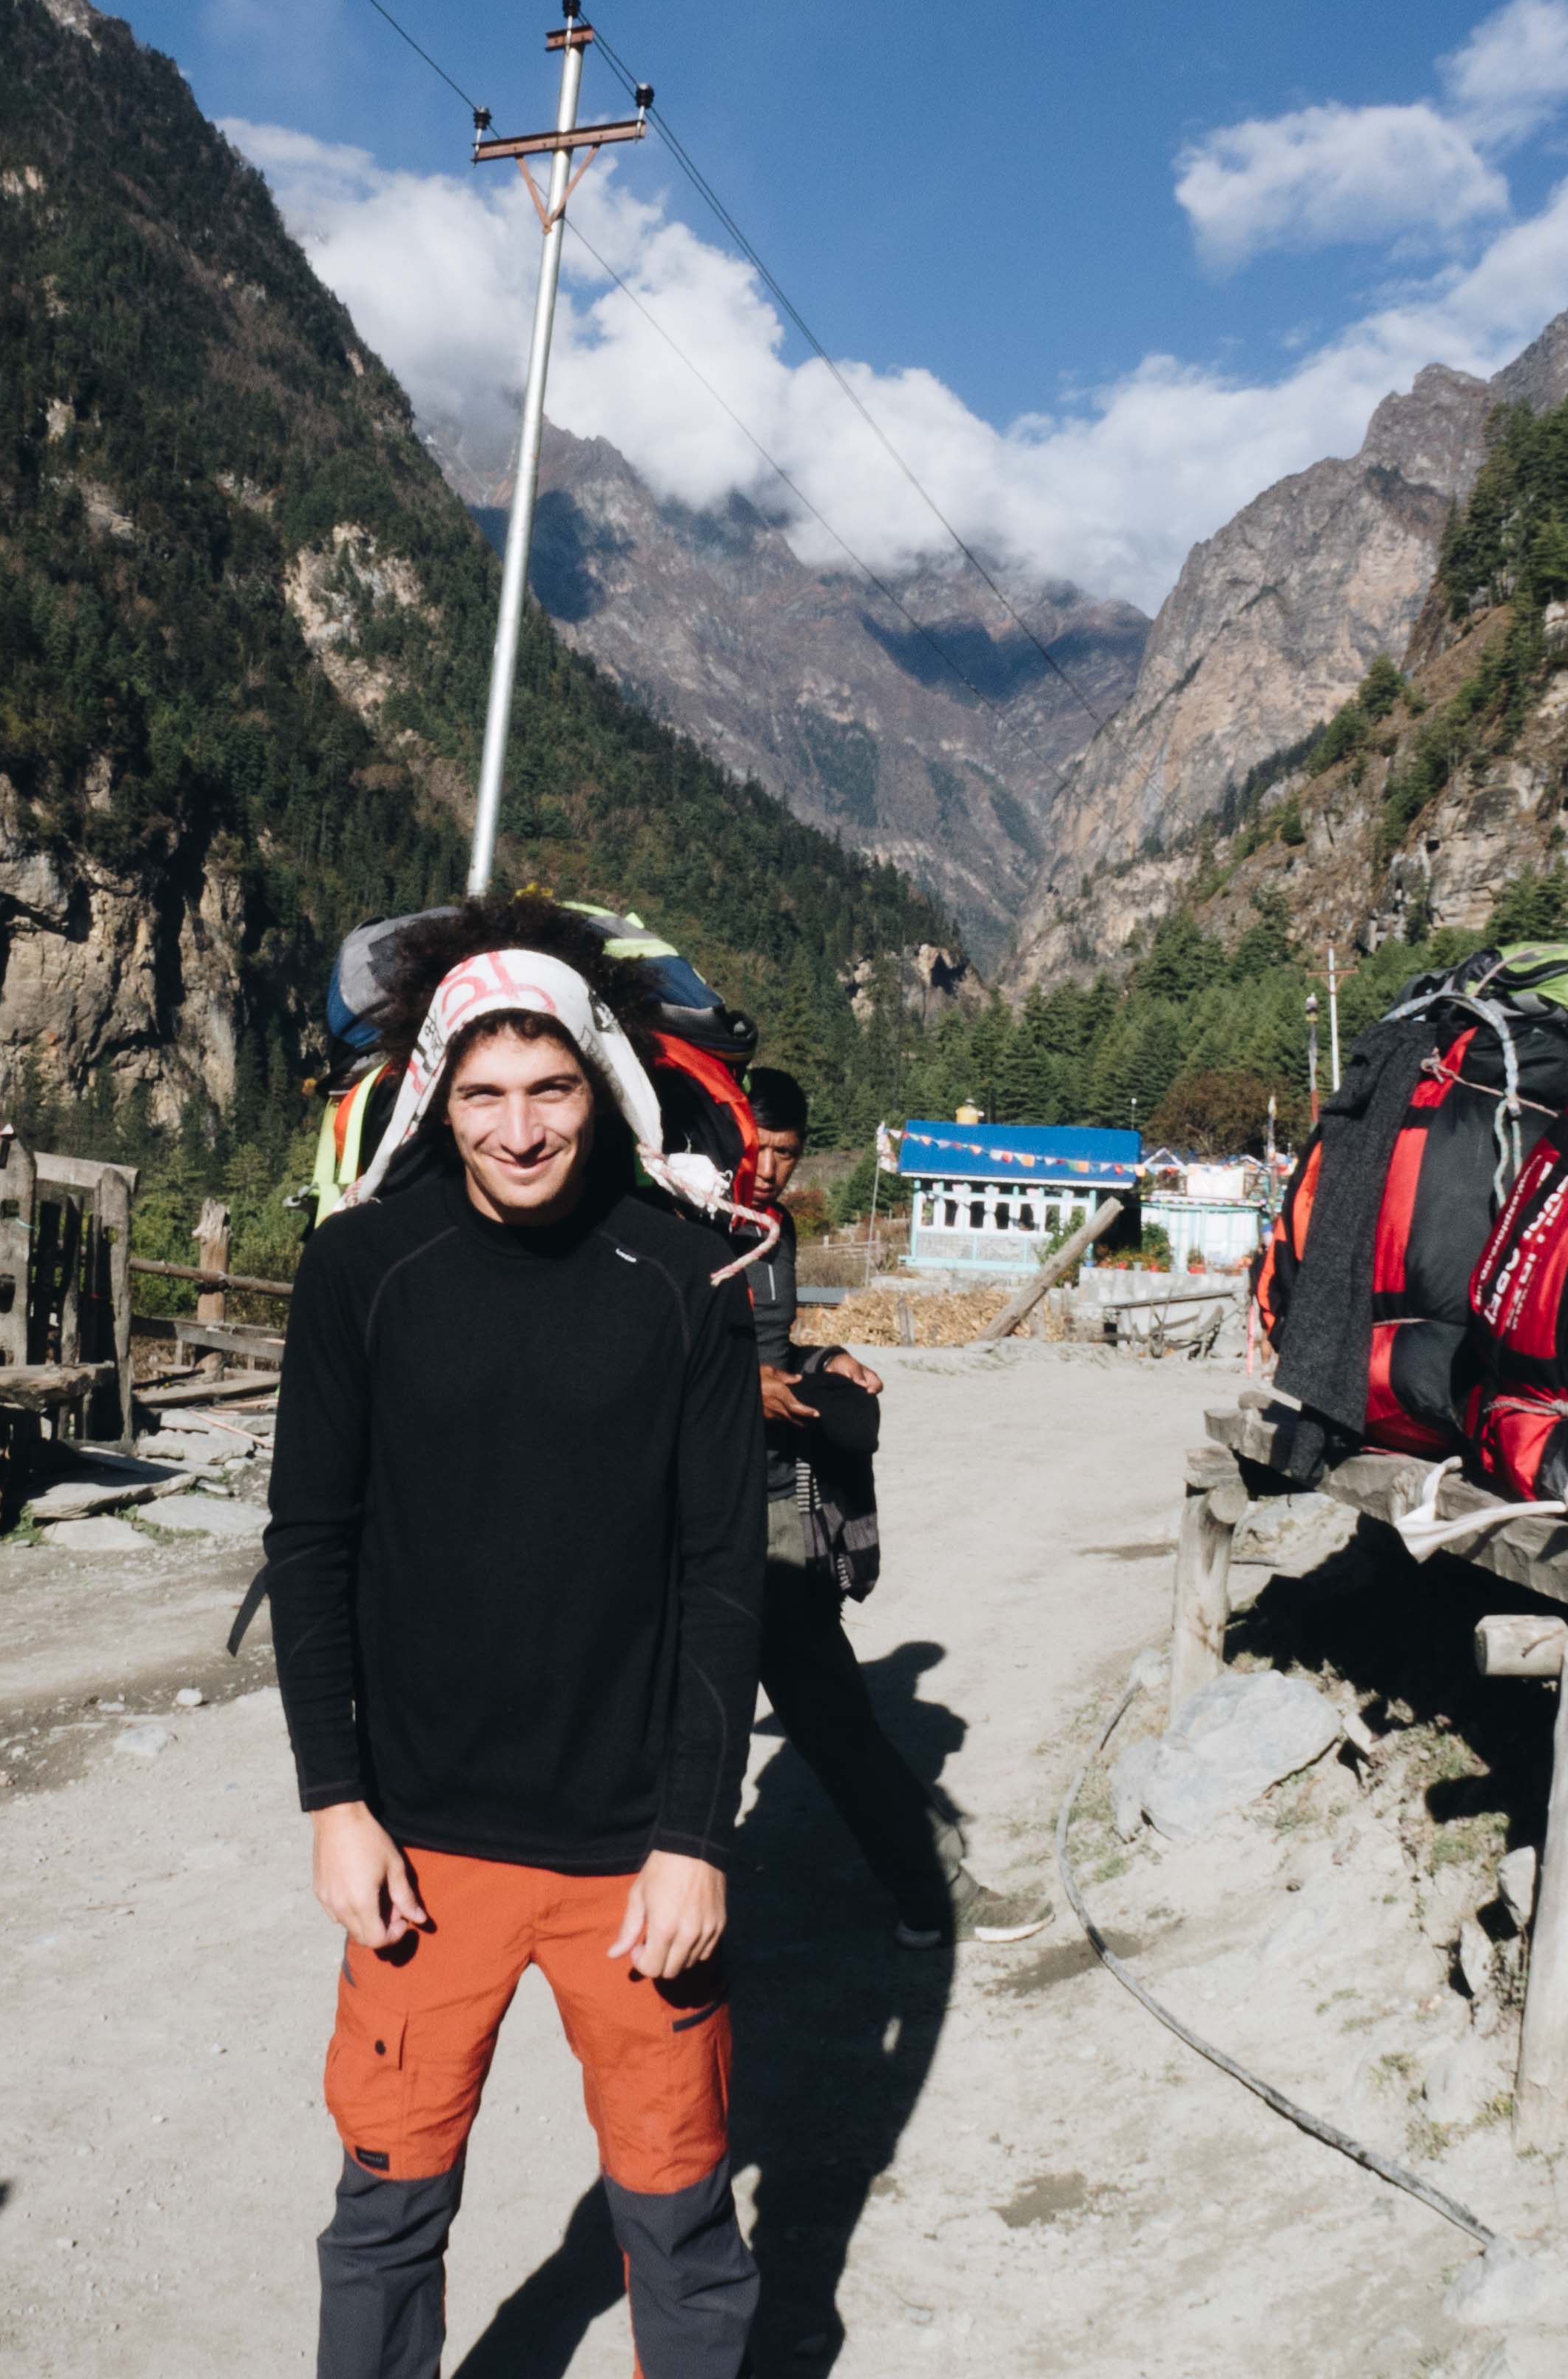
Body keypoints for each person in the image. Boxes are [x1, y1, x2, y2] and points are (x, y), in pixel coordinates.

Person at [266, 899, 767, 2379]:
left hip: (631, 1853)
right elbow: (311, 1545)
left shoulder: (683, 1276)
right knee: (384, 2210)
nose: (520, 1128)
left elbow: (722, 1570)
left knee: (678, 2215)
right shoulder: (363, 1269)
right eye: (484, 1093)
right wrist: (336, 1802)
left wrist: (695, 1837)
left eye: (550, 1088)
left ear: (600, 1083)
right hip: (421, 1848)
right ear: (436, 1092)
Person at [745, 1067, 1049, 1949]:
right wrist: (736, 1388)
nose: (767, 1169)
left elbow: (773, 1349)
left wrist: (825, 1361)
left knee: (836, 1715)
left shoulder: (776, 1233)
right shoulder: (674, 1230)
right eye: (756, 1148)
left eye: (786, 1153)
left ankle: (936, 1893)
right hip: (686, 1522)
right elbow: (636, 1367)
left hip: (774, 1510)